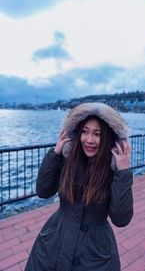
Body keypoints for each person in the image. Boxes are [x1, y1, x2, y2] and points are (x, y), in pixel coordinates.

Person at [25, 102, 134, 271]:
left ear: (107, 138)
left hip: (94, 253)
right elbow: (43, 191)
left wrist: (123, 172)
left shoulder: (114, 172)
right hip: (55, 242)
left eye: (97, 134)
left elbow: (121, 219)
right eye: (85, 132)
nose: (89, 140)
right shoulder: (68, 161)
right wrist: (56, 153)